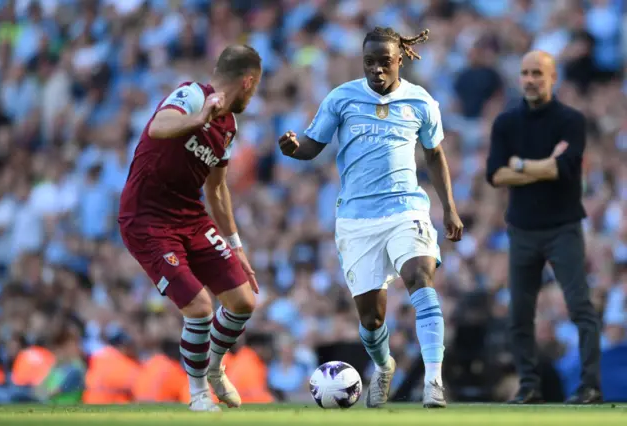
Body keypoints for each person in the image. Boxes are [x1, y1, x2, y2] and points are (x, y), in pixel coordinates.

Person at [278, 27, 463, 409]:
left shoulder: (421, 101)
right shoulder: (341, 98)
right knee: (372, 319)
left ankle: (434, 381)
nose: (376, 69)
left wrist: (450, 208)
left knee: (419, 276)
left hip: (406, 209)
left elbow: (435, 155)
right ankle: (383, 365)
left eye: (384, 62)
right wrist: (294, 148)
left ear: (400, 60)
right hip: (357, 220)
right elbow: (314, 145)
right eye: (369, 62)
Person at [118, 45, 262, 412]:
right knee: (199, 307)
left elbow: (216, 188)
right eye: (255, 86)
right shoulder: (191, 95)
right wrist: (199, 118)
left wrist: (236, 246)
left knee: (243, 301)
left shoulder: (229, 125)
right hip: (147, 218)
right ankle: (197, 393)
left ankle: (214, 368)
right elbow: (159, 126)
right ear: (248, 82)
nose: (254, 93)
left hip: (191, 217)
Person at [486, 50, 602, 405]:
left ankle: (590, 386)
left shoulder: (570, 120)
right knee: (520, 312)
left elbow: (564, 171)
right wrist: (542, 164)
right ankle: (528, 385)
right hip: (522, 229)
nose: (530, 79)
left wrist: (519, 165)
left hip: (563, 227)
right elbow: (495, 175)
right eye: (525, 73)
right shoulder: (506, 123)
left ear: (553, 78)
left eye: (538, 73)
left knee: (579, 306)